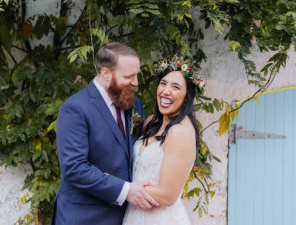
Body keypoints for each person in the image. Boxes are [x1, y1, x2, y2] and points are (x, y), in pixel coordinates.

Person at [53, 42, 159, 225]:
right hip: (84, 217)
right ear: (106, 74)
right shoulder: (75, 108)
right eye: (129, 76)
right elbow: (74, 168)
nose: (136, 82)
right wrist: (126, 191)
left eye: (137, 75)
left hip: (125, 216)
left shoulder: (134, 105)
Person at [122, 56, 202, 225]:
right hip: (135, 214)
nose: (166, 91)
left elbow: (168, 195)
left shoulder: (180, 132)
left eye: (176, 87)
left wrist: (124, 190)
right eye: (163, 83)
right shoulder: (151, 122)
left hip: (160, 218)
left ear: (187, 95)